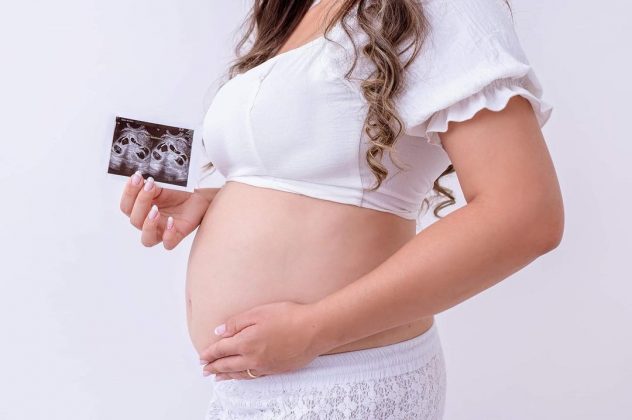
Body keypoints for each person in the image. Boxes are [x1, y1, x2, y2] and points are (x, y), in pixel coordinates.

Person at [119, 0, 564, 418]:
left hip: (345, 378)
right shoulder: (298, 10)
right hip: (249, 388)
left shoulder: (439, 8)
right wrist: (212, 203)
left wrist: (315, 329)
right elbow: (308, 176)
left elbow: (524, 213)